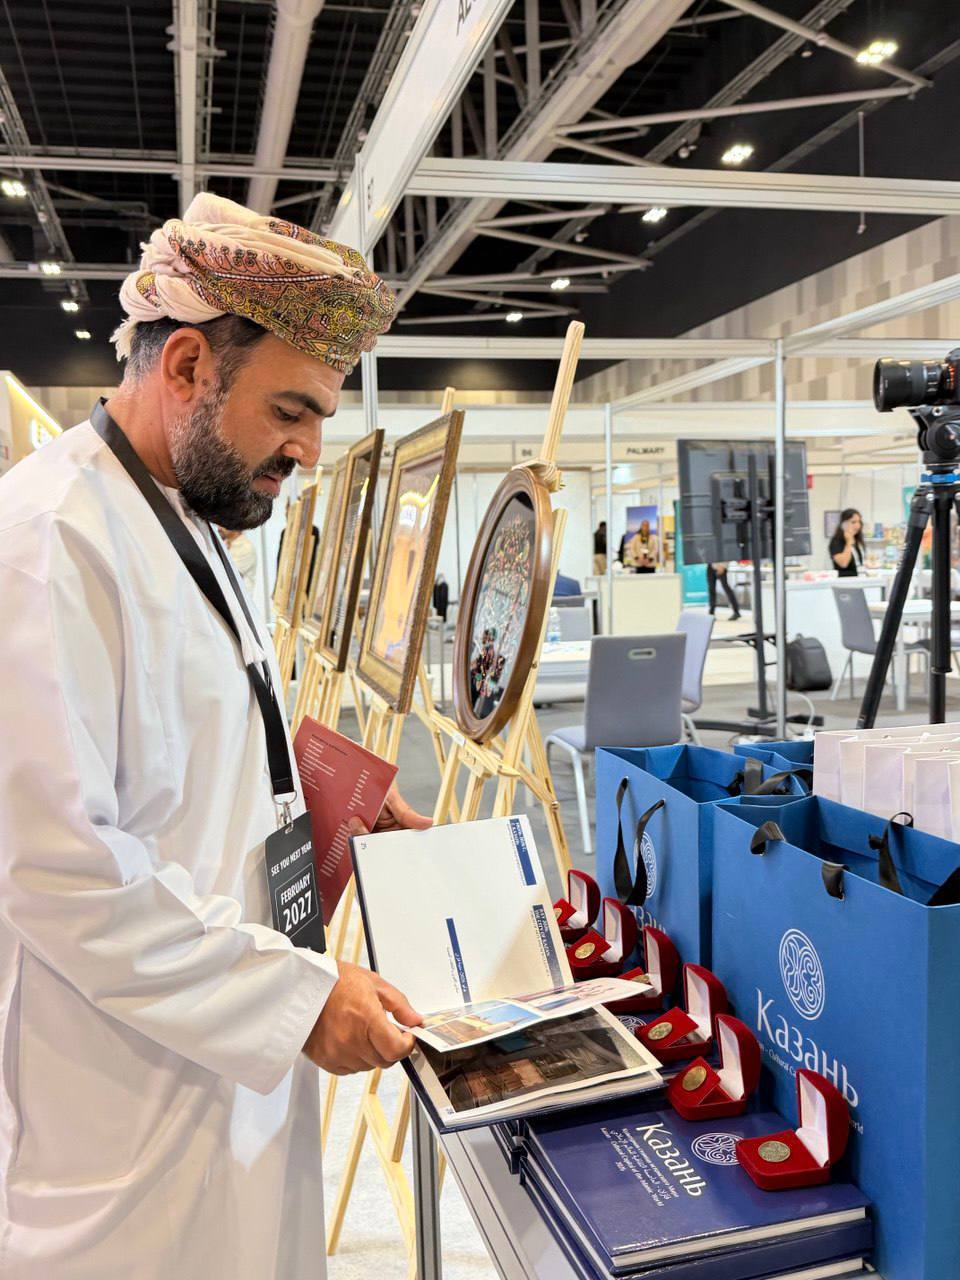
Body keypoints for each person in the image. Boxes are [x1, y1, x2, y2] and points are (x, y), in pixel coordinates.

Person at [0, 192, 430, 1280]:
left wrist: (330, 800)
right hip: (125, 1108)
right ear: (188, 364)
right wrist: (296, 998)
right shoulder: (48, 542)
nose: (311, 449)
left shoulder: (188, 513)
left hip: (226, 1049)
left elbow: (191, 744)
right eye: (292, 408)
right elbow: (58, 868)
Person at [219, 525, 258, 591]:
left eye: (223, 525)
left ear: (235, 526)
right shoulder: (224, 544)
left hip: (238, 595)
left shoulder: (246, 548)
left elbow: (228, 574)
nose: (219, 528)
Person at [829, 508, 865, 577]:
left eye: (859, 522)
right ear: (844, 524)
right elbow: (843, 563)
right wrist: (848, 543)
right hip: (845, 581)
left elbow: (858, 562)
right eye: (853, 522)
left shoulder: (857, 539)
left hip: (859, 579)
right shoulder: (836, 541)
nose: (857, 525)